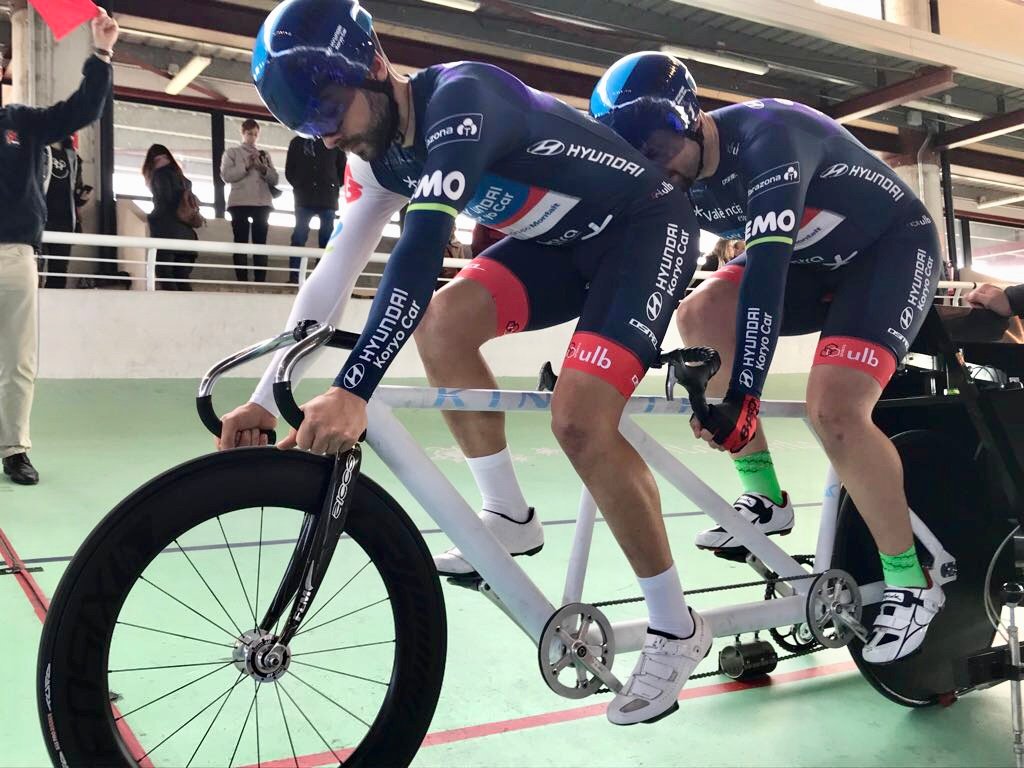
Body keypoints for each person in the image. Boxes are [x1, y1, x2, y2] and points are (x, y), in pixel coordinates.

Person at [222, 0, 704, 725]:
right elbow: (337, 268)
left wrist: (356, 388)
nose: (330, 137)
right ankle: (508, 516)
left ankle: (675, 626)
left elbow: (415, 258)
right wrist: (265, 392)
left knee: (580, 421)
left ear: (375, 67)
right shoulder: (381, 154)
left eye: (331, 108)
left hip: (641, 229)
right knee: (443, 327)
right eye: (311, 125)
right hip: (558, 245)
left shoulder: (462, 100)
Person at [590, 51, 945, 664]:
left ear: (692, 119)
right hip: (815, 258)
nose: (657, 169)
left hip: (887, 252)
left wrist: (742, 396)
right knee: (698, 314)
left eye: (659, 147)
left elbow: (766, 281)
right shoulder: (665, 173)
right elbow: (656, 272)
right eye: (637, 157)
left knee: (834, 411)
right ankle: (767, 499)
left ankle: (911, 580)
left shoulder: (769, 138)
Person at [0, 9, 119, 485]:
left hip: (15, 255)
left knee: (19, 360)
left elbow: (82, 111)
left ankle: (14, 449)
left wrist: (102, 52)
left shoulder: (21, 122)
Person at [221, 119, 278, 283]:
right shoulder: (232, 153)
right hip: (239, 203)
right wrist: (246, 166)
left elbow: (274, 179)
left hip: (262, 203)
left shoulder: (264, 154)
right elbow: (226, 176)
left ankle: (260, 279)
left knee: (261, 243)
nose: (252, 137)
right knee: (240, 241)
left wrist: (263, 168)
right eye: (249, 134)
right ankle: (242, 279)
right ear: (242, 134)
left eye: (255, 134)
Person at [285, 135, 346, 283]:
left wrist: (332, 184)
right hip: (303, 197)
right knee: (299, 236)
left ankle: (322, 277)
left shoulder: (333, 142)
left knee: (327, 238)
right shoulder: (297, 142)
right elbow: (289, 170)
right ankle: (294, 276)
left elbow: (342, 171)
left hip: (327, 197)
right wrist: (300, 184)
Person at [142, 144, 199, 290]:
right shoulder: (183, 179)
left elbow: (164, 202)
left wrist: (151, 218)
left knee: (165, 275)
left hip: (168, 233)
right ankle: (190, 311)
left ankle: (174, 311)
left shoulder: (160, 175)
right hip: (187, 235)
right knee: (182, 277)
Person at [42, 136, 85, 288]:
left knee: (59, 271)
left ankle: (53, 309)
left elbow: (76, 188)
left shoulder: (73, 157)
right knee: (34, 269)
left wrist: (81, 200)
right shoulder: (39, 149)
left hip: (65, 219)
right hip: (40, 218)